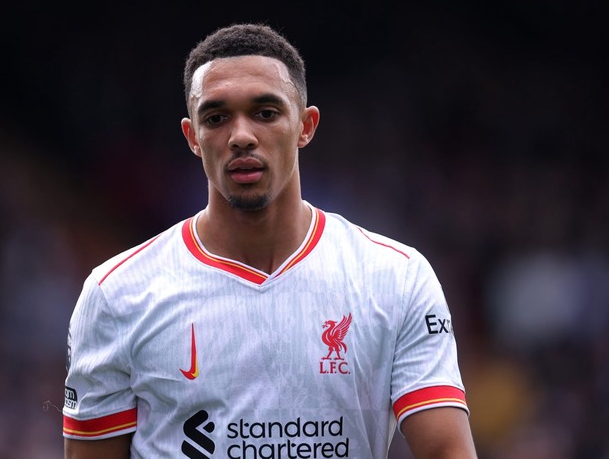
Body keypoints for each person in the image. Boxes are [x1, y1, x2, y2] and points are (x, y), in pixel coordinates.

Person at [62, 23, 478, 459]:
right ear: (192, 137)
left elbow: (447, 451)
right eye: (217, 117)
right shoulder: (115, 294)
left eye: (265, 112)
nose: (241, 136)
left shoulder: (396, 278)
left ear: (305, 125)